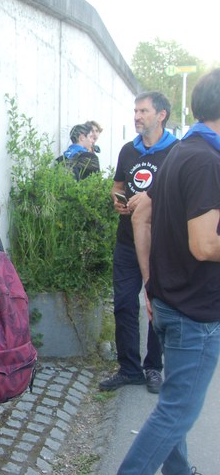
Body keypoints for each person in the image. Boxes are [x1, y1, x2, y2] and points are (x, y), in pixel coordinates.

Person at [119, 69, 220, 475]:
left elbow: (141, 213)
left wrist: (149, 284)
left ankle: (179, 471)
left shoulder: (181, 151)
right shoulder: (206, 160)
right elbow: (205, 244)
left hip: (170, 301)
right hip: (195, 313)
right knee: (178, 412)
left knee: (173, 402)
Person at [99, 92, 178, 394]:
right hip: (127, 242)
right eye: (135, 110)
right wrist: (117, 201)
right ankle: (129, 368)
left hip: (161, 244)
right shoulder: (127, 151)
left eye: (143, 111)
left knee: (157, 305)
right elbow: (118, 186)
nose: (136, 116)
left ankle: (153, 367)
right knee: (123, 305)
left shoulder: (176, 151)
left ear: (161, 115)